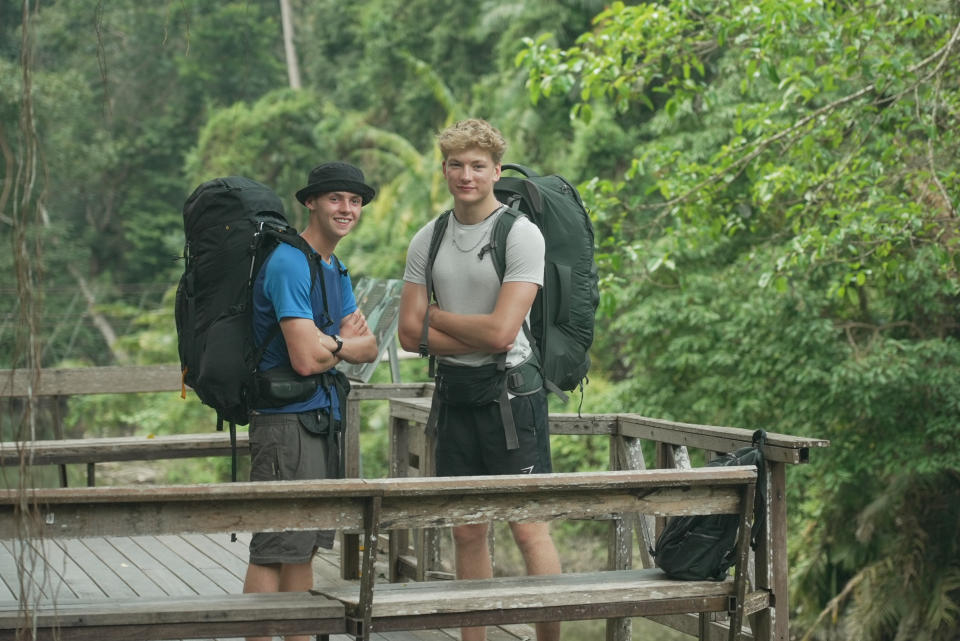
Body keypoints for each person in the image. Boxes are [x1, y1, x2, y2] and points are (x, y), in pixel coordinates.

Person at [398, 119, 562, 641]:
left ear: (496, 171)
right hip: (456, 394)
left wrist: (438, 319)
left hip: (512, 395)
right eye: (455, 165)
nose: (465, 176)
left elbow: (500, 334)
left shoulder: (520, 235)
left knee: (528, 526)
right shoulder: (429, 237)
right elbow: (406, 333)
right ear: (444, 169)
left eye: (476, 166)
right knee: (467, 528)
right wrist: (453, 328)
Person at [242, 162, 379, 641]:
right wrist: (339, 344)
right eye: (336, 198)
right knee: (274, 547)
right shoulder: (287, 262)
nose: (347, 209)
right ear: (311, 203)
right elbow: (303, 358)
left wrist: (335, 346)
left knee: (302, 548)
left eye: (355, 201)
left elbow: (371, 348)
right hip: (284, 424)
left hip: (320, 420)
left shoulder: (332, 266)